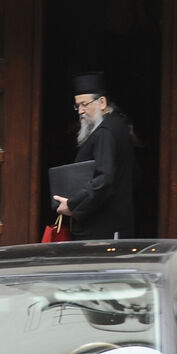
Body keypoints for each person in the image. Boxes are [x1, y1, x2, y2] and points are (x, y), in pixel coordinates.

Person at [52, 72, 135, 240]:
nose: (80, 111)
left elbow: (104, 180)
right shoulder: (117, 125)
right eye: (77, 106)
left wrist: (73, 205)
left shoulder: (105, 133)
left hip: (102, 230)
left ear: (102, 102)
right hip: (113, 224)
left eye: (84, 104)